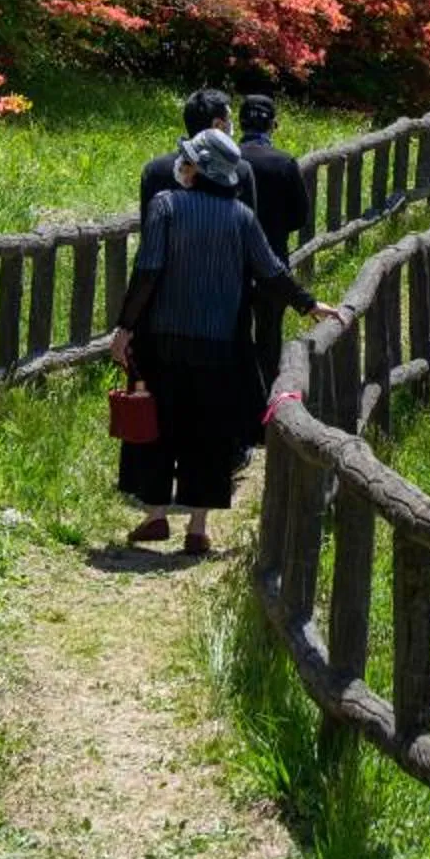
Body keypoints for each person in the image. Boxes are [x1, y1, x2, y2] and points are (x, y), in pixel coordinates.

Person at [108, 128, 339, 554]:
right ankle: (198, 526)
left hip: (162, 337)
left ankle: (157, 515)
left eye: (188, 160)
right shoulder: (241, 217)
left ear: (197, 168)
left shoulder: (165, 206)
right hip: (218, 344)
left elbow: (148, 272)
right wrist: (308, 304)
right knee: (208, 431)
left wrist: (125, 328)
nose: (183, 165)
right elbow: (270, 271)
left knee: (157, 424)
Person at [235, 92, 313, 398]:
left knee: (236, 335)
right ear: (274, 125)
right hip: (274, 263)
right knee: (269, 338)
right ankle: (265, 409)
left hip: (233, 263)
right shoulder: (283, 163)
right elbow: (300, 216)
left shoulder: (227, 160)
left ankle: (237, 405)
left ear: (239, 123)